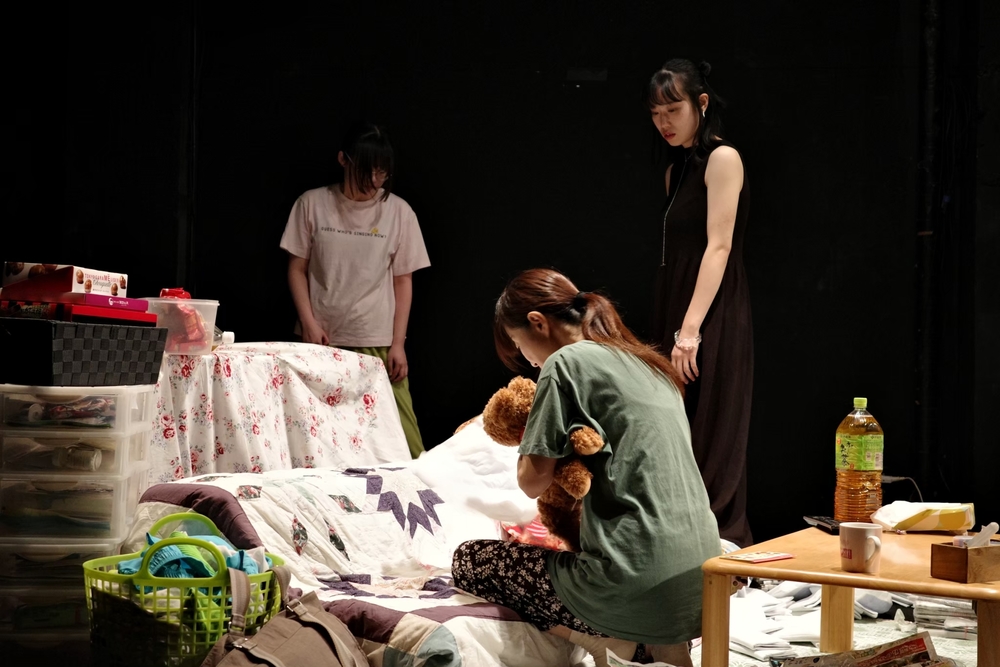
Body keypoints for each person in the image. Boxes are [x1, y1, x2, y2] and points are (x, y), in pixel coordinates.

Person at [452, 268, 720, 667]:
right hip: (701, 580)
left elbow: (532, 482)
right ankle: (664, 646)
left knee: (470, 560)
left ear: (537, 323)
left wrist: (533, 434)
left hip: (631, 579)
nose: (528, 361)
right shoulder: (651, 365)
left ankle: (603, 638)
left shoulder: (564, 363)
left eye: (519, 346)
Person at [647, 58, 754, 547]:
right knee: (674, 425)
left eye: (673, 109)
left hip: (711, 312)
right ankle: (676, 539)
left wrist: (689, 331)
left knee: (711, 423)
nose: (664, 121)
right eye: (656, 113)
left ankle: (716, 542)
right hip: (677, 305)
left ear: (701, 103)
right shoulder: (677, 171)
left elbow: (720, 247)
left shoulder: (723, 158)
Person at [279, 121, 430, 458]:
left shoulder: (399, 211)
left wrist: (398, 342)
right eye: (367, 170)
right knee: (322, 436)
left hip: (376, 341)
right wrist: (308, 323)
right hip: (321, 340)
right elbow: (297, 268)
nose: (375, 181)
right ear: (343, 160)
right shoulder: (312, 203)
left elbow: (403, 280)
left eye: (382, 173)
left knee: (404, 439)